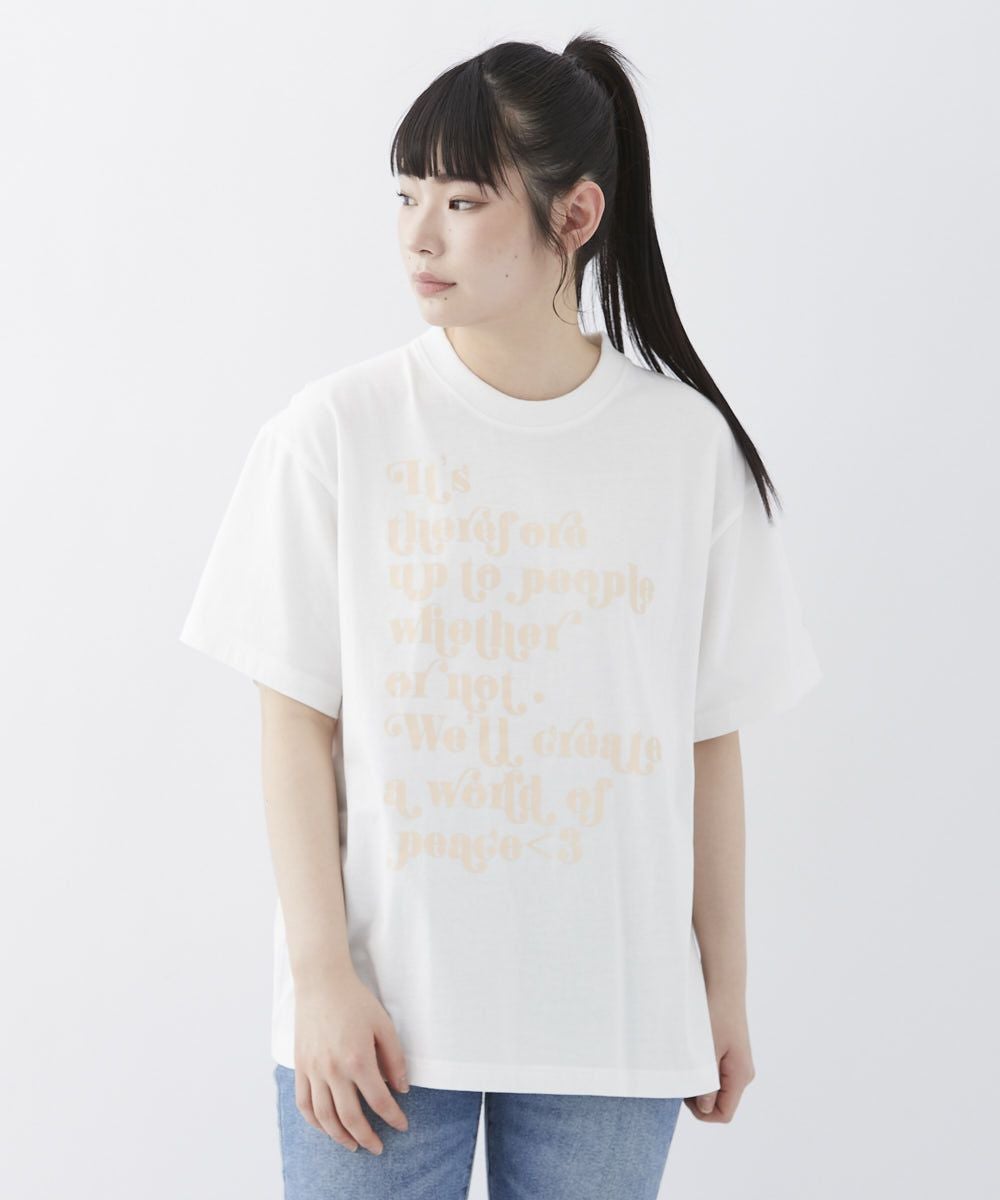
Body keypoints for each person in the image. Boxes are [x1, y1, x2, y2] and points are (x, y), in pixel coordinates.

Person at [179, 31, 823, 1200]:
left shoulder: (684, 452)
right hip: (377, 1027)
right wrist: (320, 980)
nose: (419, 234)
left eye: (464, 201)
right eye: (407, 195)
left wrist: (722, 990)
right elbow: (294, 726)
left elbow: (706, 740)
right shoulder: (336, 433)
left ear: (574, 215)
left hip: (614, 1030)